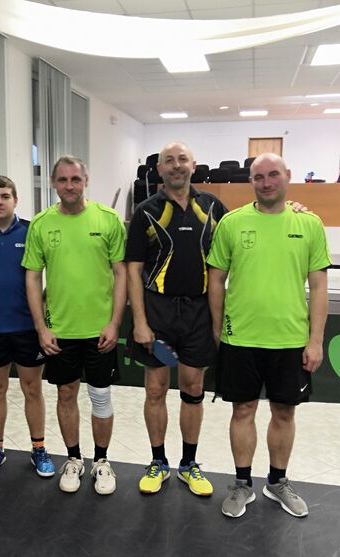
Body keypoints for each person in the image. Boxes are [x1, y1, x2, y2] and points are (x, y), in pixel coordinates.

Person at [207, 152, 330, 519]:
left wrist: (316, 340)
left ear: (287, 175)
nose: (266, 182)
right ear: (251, 181)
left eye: (273, 174)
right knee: (242, 410)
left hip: (290, 340)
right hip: (241, 338)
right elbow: (216, 279)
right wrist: (218, 328)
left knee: (284, 412)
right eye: (259, 177)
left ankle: (277, 483)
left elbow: (319, 286)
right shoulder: (231, 223)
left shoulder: (309, 224)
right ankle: (242, 484)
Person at [125, 141, 228, 497]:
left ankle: (189, 464)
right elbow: (133, 269)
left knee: (193, 388)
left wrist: (291, 206)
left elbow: (248, 226)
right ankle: (158, 462)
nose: (176, 165)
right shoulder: (146, 211)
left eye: (182, 159)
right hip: (157, 311)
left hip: (199, 311)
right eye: (168, 161)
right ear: (159, 169)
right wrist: (139, 321)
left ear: (193, 165)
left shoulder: (213, 206)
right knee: (155, 389)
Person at [22, 156, 127, 495]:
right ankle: (73, 459)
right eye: (63, 179)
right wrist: (41, 328)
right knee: (66, 393)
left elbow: (121, 272)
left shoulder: (108, 219)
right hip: (60, 331)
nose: (70, 185)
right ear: (54, 182)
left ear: (86, 181)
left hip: (100, 331)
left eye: (76, 179)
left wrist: (115, 322)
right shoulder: (41, 224)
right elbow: (32, 277)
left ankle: (102, 461)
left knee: (100, 396)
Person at [0, 175, 54, 478]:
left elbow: (49, 273)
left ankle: (39, 448)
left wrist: (46, 320)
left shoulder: (32, 230)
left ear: (15, 199)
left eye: (5, 196)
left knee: (32, 389)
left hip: (28, 327)